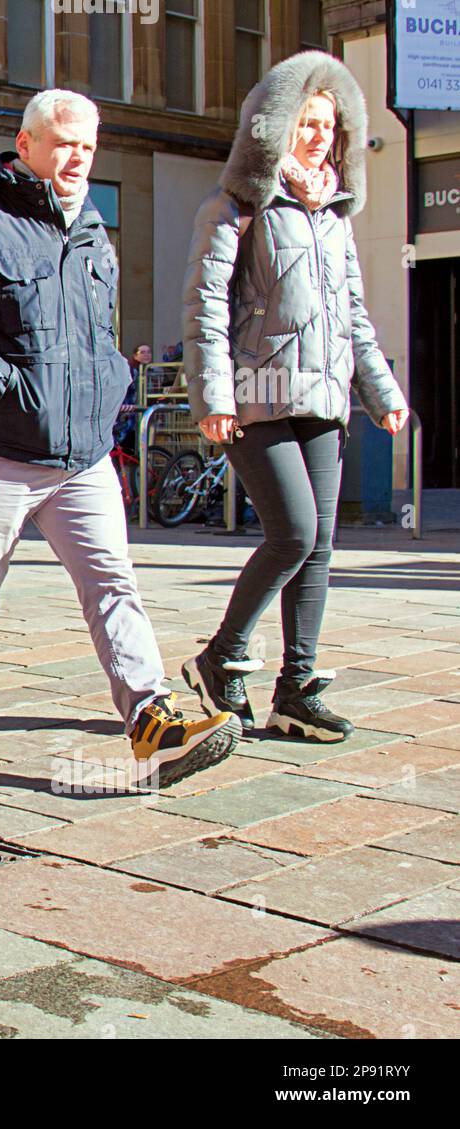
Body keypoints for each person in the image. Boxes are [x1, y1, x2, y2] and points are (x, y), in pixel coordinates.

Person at [0, 89, 240, 788]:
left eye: (88, 146)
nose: (76, 157)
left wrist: (111, 378)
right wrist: (6, 380)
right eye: (62, 142)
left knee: (112, 583)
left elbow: (97, 333)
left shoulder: (93, 232)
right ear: (25, 145)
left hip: (81, 454)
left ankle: (152, 721)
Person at [181, 51, 408, 742]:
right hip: (255, 396)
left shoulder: (335, 215)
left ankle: (297, 688)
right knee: (294, 532)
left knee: (321, 546)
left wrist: (381, 392)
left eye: (328, 125)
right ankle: (222, 657)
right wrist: (212, 396)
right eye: (305, 123)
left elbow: (354, 318)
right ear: (271, 127)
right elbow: (204, 306)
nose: (317, 136)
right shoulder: (236, 207)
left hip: (324, 400)